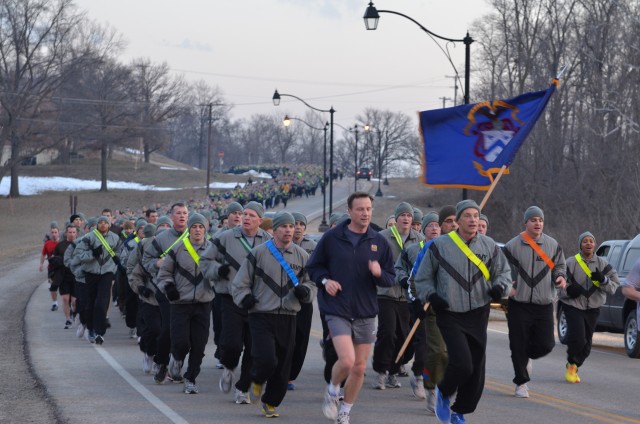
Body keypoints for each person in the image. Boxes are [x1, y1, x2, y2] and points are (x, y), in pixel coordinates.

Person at [414, 199, 511, 424]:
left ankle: (460, 410)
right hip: (449, 311)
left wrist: (499, 288)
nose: (473, 220)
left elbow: (504, 273)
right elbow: (423, 277)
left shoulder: (489, 246)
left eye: (476, 216)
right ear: (458, 221)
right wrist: (431, 295)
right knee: (462, 363)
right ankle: (444, 391)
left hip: (478, 311)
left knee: (476, 369)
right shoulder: (440, 245)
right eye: (467, 215)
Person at [307, 192, 395, 424]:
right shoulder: (332, 238)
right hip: (337, 308)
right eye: (360, 209)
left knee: (358, 368)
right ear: (349, 211)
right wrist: (326, 281)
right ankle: (333, 389)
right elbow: (314, 267)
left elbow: (390, 278)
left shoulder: (379, 242)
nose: (365, 213)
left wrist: (378, 273)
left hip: (365, 311)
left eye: (368, 209)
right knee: (346, 360)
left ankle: (346, 410)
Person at [232, 211, 317, 417]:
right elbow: (240, 282)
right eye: (284, 226)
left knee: (283, 364)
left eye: (292, 226)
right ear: (275, 230)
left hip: (288, 316)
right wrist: (245, 298)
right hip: (261, 314)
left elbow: (312, 282)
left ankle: (270, 403)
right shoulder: (259, 253)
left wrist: (305, 291)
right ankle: (258, 379)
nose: (290, 230)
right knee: (266, 358)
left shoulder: (302, 256)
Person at [201, 201, 271, 405]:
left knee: (253, 348)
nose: (245, 218)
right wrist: (218, 271)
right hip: (230, 297)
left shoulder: (267, 241)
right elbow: (205, 261)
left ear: (260, 220)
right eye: (243, 214)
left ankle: (242, 389)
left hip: (256, 302)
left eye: (250, 215)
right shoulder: (225, 237)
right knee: (231, 344)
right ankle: (229, 366)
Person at [503, 206, 567, 399]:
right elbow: (501, 270)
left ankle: (527, 355)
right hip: (519, 303)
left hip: (544, 303)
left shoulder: (552, 244)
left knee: (546, 344)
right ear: (526, 223)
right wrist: (508, 287)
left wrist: (560, 277)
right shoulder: (512, 245)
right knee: (517, 344)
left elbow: (560, 266)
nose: (537, 223)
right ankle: (521, 383)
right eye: (533, 220)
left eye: (540, 220)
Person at [157, 213, 214, 394]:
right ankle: (177, 358)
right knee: (181, 343)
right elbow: (164, 274)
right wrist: (169, 288)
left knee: (199, 344)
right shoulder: (178, 249)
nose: (198, 230)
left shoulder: (214, 250)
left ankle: (190, 378)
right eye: (194, 227)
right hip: (180, 303)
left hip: (203, 303)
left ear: (206, 230)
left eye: (201, 227)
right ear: (189, 229)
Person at [373, 202, 424, 390]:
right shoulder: (382, 237)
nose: (406, 218)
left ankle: (393, 372)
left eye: (409, 216)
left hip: (408, 296)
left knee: (404, 336)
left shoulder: (419, 239)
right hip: (385, 293)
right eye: (402, 215)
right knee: (388, 334)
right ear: (396, 218)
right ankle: (381, 371)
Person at [394, 211, 442, 408]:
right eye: (430, 225)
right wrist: (405, 283)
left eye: (437, 225)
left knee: (439, 349)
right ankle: (419, 377)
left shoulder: (447, 249)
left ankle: (436, 382)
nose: (434, 228)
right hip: (418, 303)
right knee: (423, 343)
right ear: (423, 229)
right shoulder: (414, 249)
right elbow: (400, 269)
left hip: (441, 305)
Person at [560, 231, 619, 383]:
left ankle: (573, 365)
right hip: (573, 305)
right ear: (580, 244)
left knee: (587, 345)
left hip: (593, 307)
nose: (588, 243)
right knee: (578, 338)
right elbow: (558, 283)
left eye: (591, 241)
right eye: (585, 241)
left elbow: (613, 287)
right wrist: (568, 290)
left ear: (595, 244)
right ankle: (572, 364)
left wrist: (603, 279)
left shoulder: (603, 264)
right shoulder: (570, 262)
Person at [142, 202, 189, 383]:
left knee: (187, 334)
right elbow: (147, 259)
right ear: (171, 216)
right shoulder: (161, 238)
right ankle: (161, 362)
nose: (182, 216)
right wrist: (157, 264)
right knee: (169, 330)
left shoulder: (196, 235)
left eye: (185, 213)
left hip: (189, 291)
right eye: (178, 213)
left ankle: (177, 363)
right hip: (166, 289)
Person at [75, 215, 123, 345]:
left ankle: (99, 332)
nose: (103, 225)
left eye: (105, 223)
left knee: (102, 303)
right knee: (90, 303)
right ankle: (90, 328)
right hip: (91, 273)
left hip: (107, 274)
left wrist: (116, 262)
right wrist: (92, 254)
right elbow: (80, 255)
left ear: (109, 225)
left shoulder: (115, 238)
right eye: (100, 222)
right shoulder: (89, 237)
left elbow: (120, 252)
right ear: (97, 225)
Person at [287, 212, 317, 390]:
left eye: (300, 224)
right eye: (294, 223)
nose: (297, 227)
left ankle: (290, 376)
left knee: (300, 338)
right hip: (283, 298)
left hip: (304, 299)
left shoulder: (312, 246)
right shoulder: (280, 246)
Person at [50, 224, 78, 328]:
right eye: (70, 232)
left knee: (75, 301)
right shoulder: (60, 245)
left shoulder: (81, 244)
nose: (71, 234)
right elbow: (53, 259)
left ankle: (74, 314)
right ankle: (68, 320)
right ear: (66, 233)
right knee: (66, 299)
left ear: (76, 233)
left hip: (76, 276)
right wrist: (51, 275)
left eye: (74, 232)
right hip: (63, 275)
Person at [40, 223, 61, 311]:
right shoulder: (47, 244)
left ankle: (69, 304)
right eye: (52, 232)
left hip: (62, 268)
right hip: (51, 268)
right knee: (53, 287)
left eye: (55, 232)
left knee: (64, 287)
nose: (54, 234)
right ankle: (55, 303)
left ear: (58, 233)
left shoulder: (62, 243)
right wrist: (41, 264)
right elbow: (43, 254)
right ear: (50, 233)